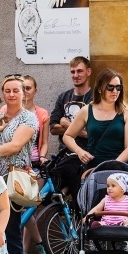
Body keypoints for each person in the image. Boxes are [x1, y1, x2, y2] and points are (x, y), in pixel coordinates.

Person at [0, 74, 38, 254]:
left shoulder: (29, 119)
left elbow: (15, 146)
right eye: (7, 91)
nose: (11, 94)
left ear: (24, 93)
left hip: (13, 179)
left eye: (16, 91)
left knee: (11, 229)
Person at [6, 74, 51, 254]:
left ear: (34, 90)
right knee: (24, 208)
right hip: (12, 165)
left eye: (28, 88)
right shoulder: (5, 111)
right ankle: (33, 248)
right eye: (20, 87)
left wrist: (41, 157)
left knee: (28, 204)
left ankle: (27, 250)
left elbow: (45, 141)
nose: (24, 91)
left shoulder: (40, 114)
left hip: (32, 164)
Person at [63, 68, 128, 170]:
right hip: (92, 169)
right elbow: (67, 136)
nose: (115, 91)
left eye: (118, 87)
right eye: (110, 87)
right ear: (99, 88)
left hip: (118, 171)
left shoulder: (127, 112)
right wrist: (79, 151)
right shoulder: (86, 110)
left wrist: (112, 166)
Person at [49, 56, 93, 200]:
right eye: (72, 72)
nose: (75, 75)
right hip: (64, 153)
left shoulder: (94, 98)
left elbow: (92, 133)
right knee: (50, 183)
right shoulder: (64, 97)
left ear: (88, 72)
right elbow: (53, 128)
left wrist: (67, 124)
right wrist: (80, 130)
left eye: (79, 71)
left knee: (77, 191)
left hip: (85, 154)